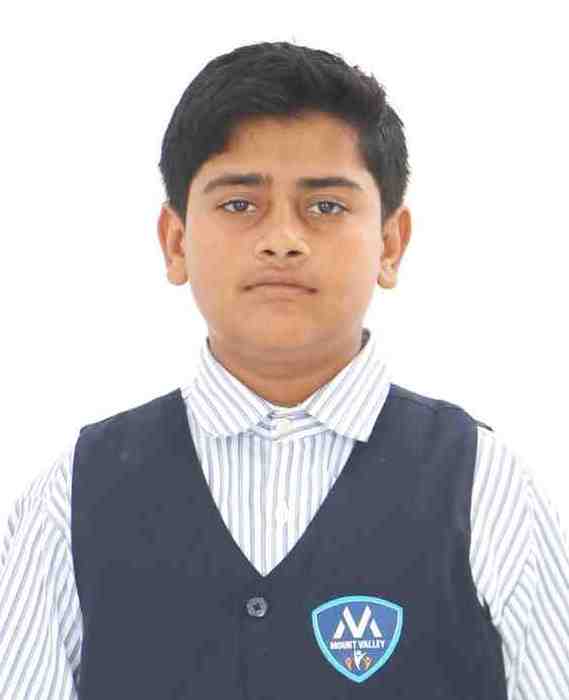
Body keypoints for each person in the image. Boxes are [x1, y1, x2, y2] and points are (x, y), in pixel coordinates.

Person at [1, 40, 568, 699]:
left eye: (325, 206)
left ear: (389, 244)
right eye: (239, 204)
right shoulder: (73, 494)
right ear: (176, 242)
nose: (281, 240)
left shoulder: (484, 486)